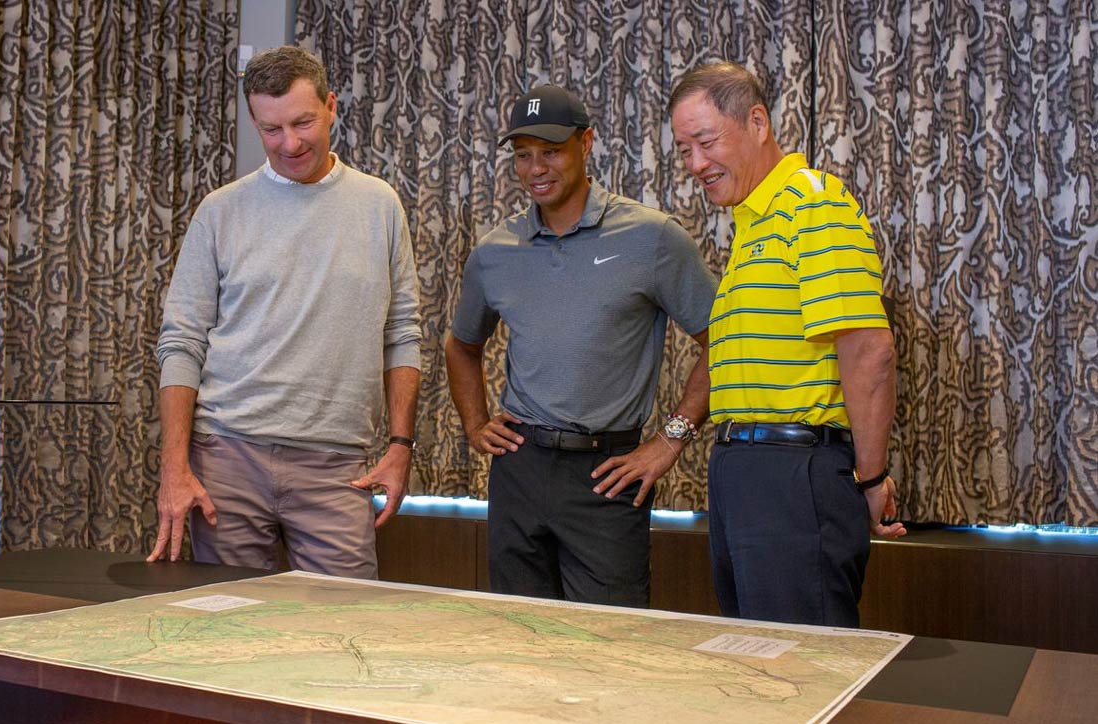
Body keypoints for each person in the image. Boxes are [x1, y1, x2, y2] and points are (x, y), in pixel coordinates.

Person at [148, 46, 422, 579]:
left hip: (336, 463)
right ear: (254, 121)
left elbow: (402, 334)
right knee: (228, 618)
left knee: (345, 619)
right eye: (271, 130)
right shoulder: (220, 211)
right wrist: (173, 468)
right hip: (226, 457)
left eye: (303, 123)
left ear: (331, 107)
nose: (290, 144)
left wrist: (400, 446)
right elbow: (181, 342)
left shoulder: (379, 205)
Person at [446, 84, 717, 608]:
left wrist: (671, 439)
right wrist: (476, 424)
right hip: (519, 468)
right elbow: (461, 347)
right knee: (519, 631)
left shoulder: (653, 238)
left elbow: (722, 341)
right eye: (523, 155)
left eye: (550, 151)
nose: (536, 169)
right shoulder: (495, 250)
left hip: (606, 474)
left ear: (586, 143)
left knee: (608, 638)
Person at [668, 62, 906, 627]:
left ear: (757, 122)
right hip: (743, 470)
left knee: (799, 662)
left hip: (794, 473)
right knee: (758, 658)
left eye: (706, 142)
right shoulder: (753, 220)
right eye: (683, 150)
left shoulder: (813, 205)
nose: (696, 164)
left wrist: (871, 478)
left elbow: (868, 351)